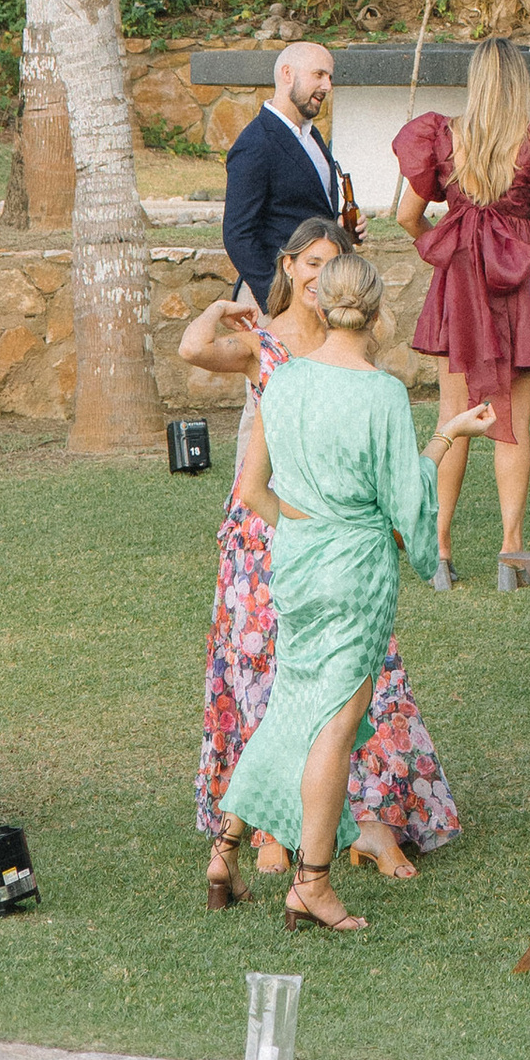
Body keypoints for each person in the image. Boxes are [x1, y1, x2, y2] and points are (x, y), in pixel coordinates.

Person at [182, 228, 457, 907]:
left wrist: (304, 532)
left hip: (295, 564)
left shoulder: (288, 380)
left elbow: (251, 492)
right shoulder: (381, 393)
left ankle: (227, 849)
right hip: (353, 571)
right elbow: (406, 502)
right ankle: (313, 883)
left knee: (288, 709)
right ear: (378, 311)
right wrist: (450, 437)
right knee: (336, 723)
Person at [391, 33, 530, 593]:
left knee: (453, 415)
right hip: (518, 280)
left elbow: (407, 215)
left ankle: (439, 550)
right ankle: (511, 553)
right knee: (514, 420)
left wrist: (444, 246)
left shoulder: (445, 136)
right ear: (518, 84)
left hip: (459, 283)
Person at [222, 42, 351, 309]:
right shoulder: (256, 142)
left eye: (330, 77)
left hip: (317, 291)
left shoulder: (312, 136)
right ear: (287, 74)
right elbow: (238, 234)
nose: (327, 86)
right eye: (319, 75)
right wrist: (277, 300)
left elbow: (304, 210)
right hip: (276, 299)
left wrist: (342, 227)